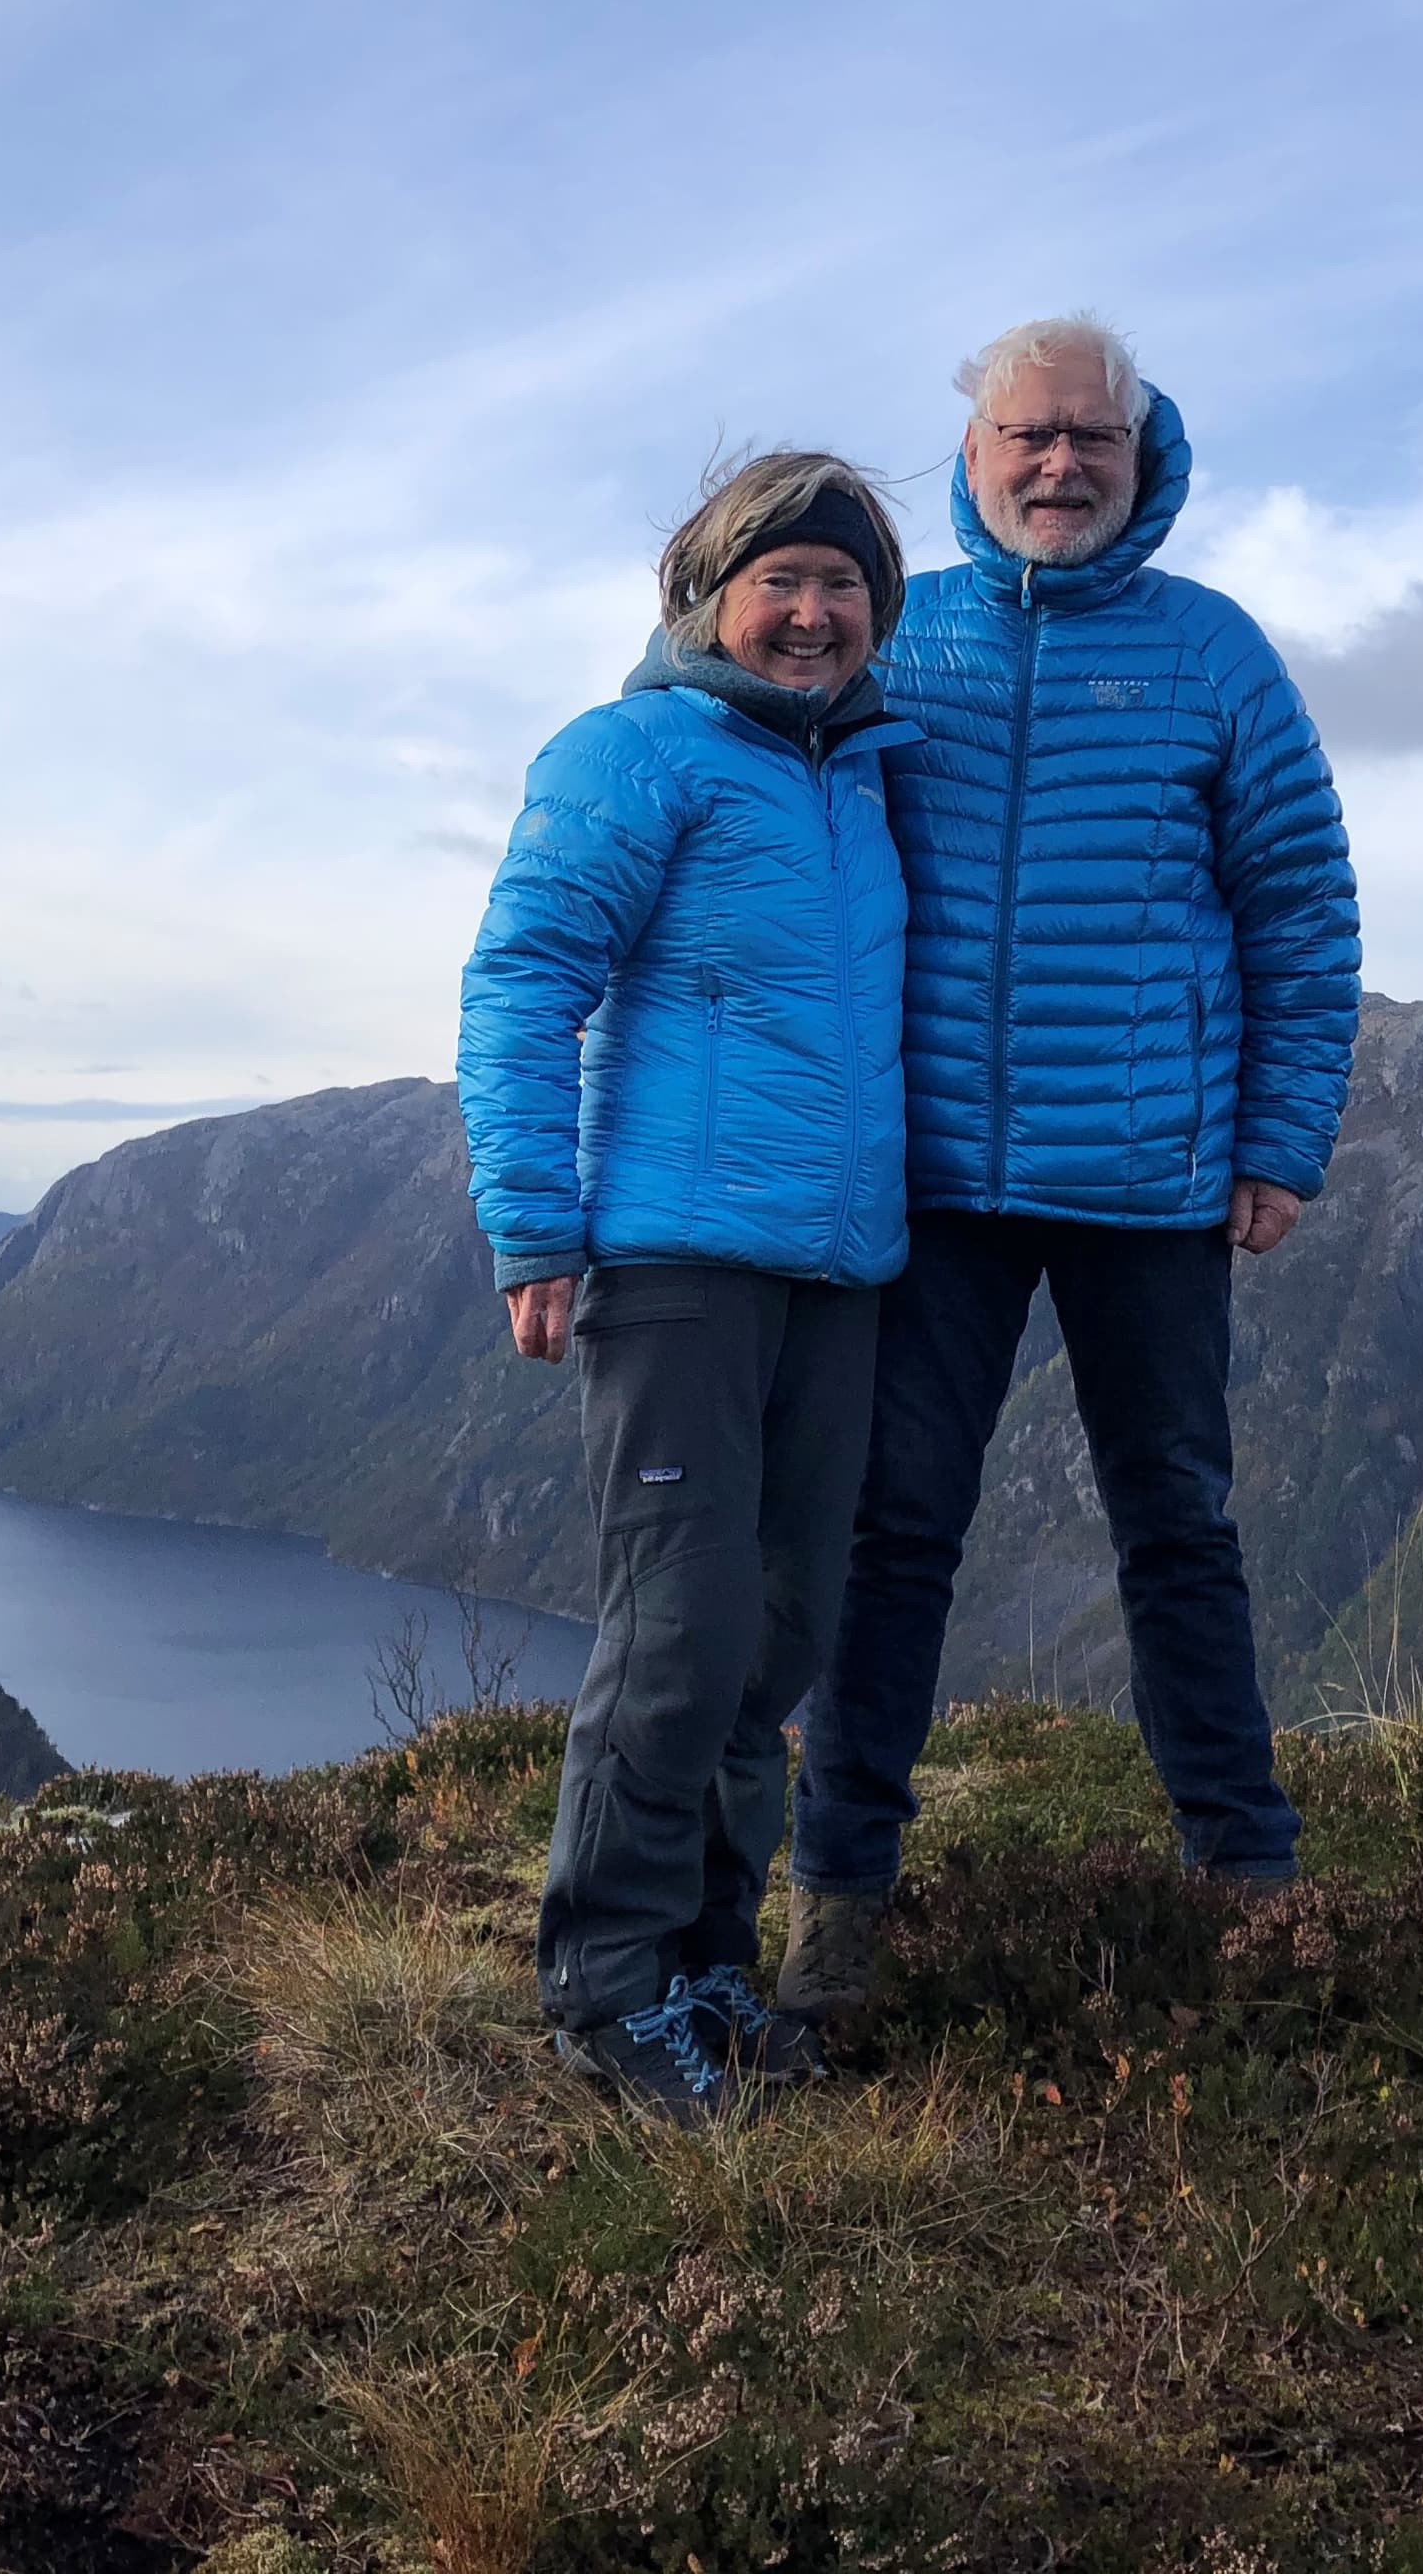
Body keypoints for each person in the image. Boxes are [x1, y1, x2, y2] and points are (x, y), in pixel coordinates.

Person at [783, 316, 1361, 2032]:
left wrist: (1279, 1140)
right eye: (1026, 438)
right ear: (969, 458)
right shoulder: (903, 642)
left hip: (1153, 1179)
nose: (1058, 467)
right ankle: (840, 1905)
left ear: (1142, 449)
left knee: (1178, 1530)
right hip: (937, 1182)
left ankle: (1249, 1889)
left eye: (1089, 440)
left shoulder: (1214, 657)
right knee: (895, 1540)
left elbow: (1302, 910)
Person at [458, 449, 919, 2123]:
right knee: (675, 1633)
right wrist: (537, 1225)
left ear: (880, 617)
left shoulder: (860, 774)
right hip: (676, 1268)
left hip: (840, 1269)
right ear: (706, 593)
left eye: (846, 586)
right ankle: (606, 1991)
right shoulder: (632, 753)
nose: (812, 612)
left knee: (775, 1637)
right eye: (781, 579)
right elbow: (523, 981)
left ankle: (714, 1967)